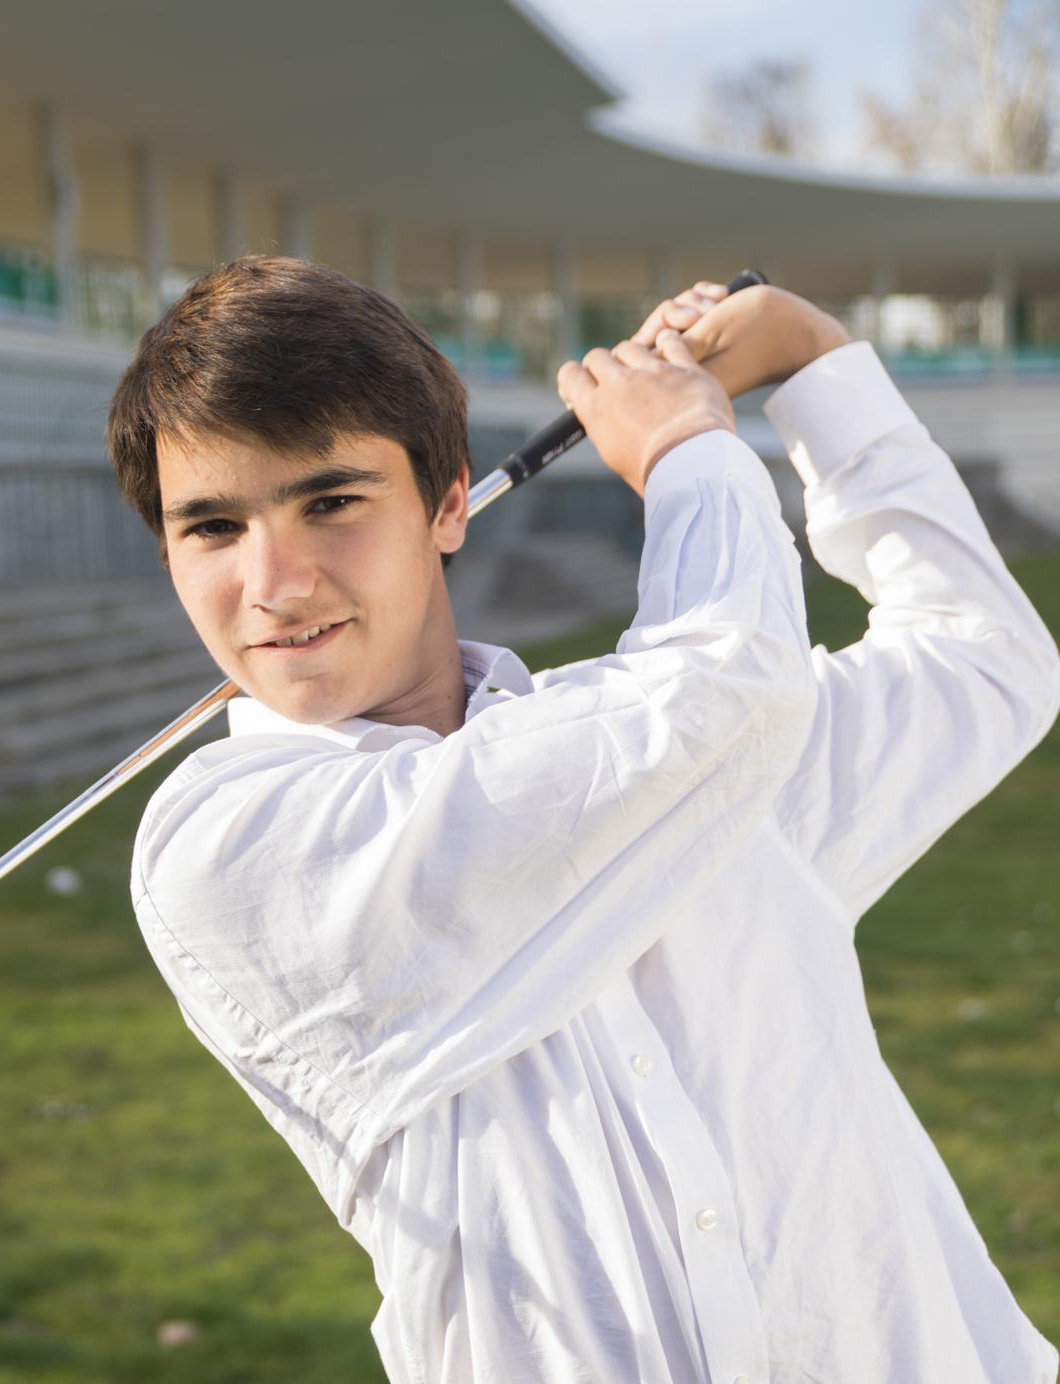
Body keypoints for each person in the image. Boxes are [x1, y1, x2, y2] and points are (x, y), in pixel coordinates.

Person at [105, 255, 1060, 1383]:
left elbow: (981, 658)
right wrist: (687, 449)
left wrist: (814, 363)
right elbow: (721, 698)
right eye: (212, 527)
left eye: (331, 501)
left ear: (449, 500)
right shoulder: (222, 847)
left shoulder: (688, 761)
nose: (276, 582)